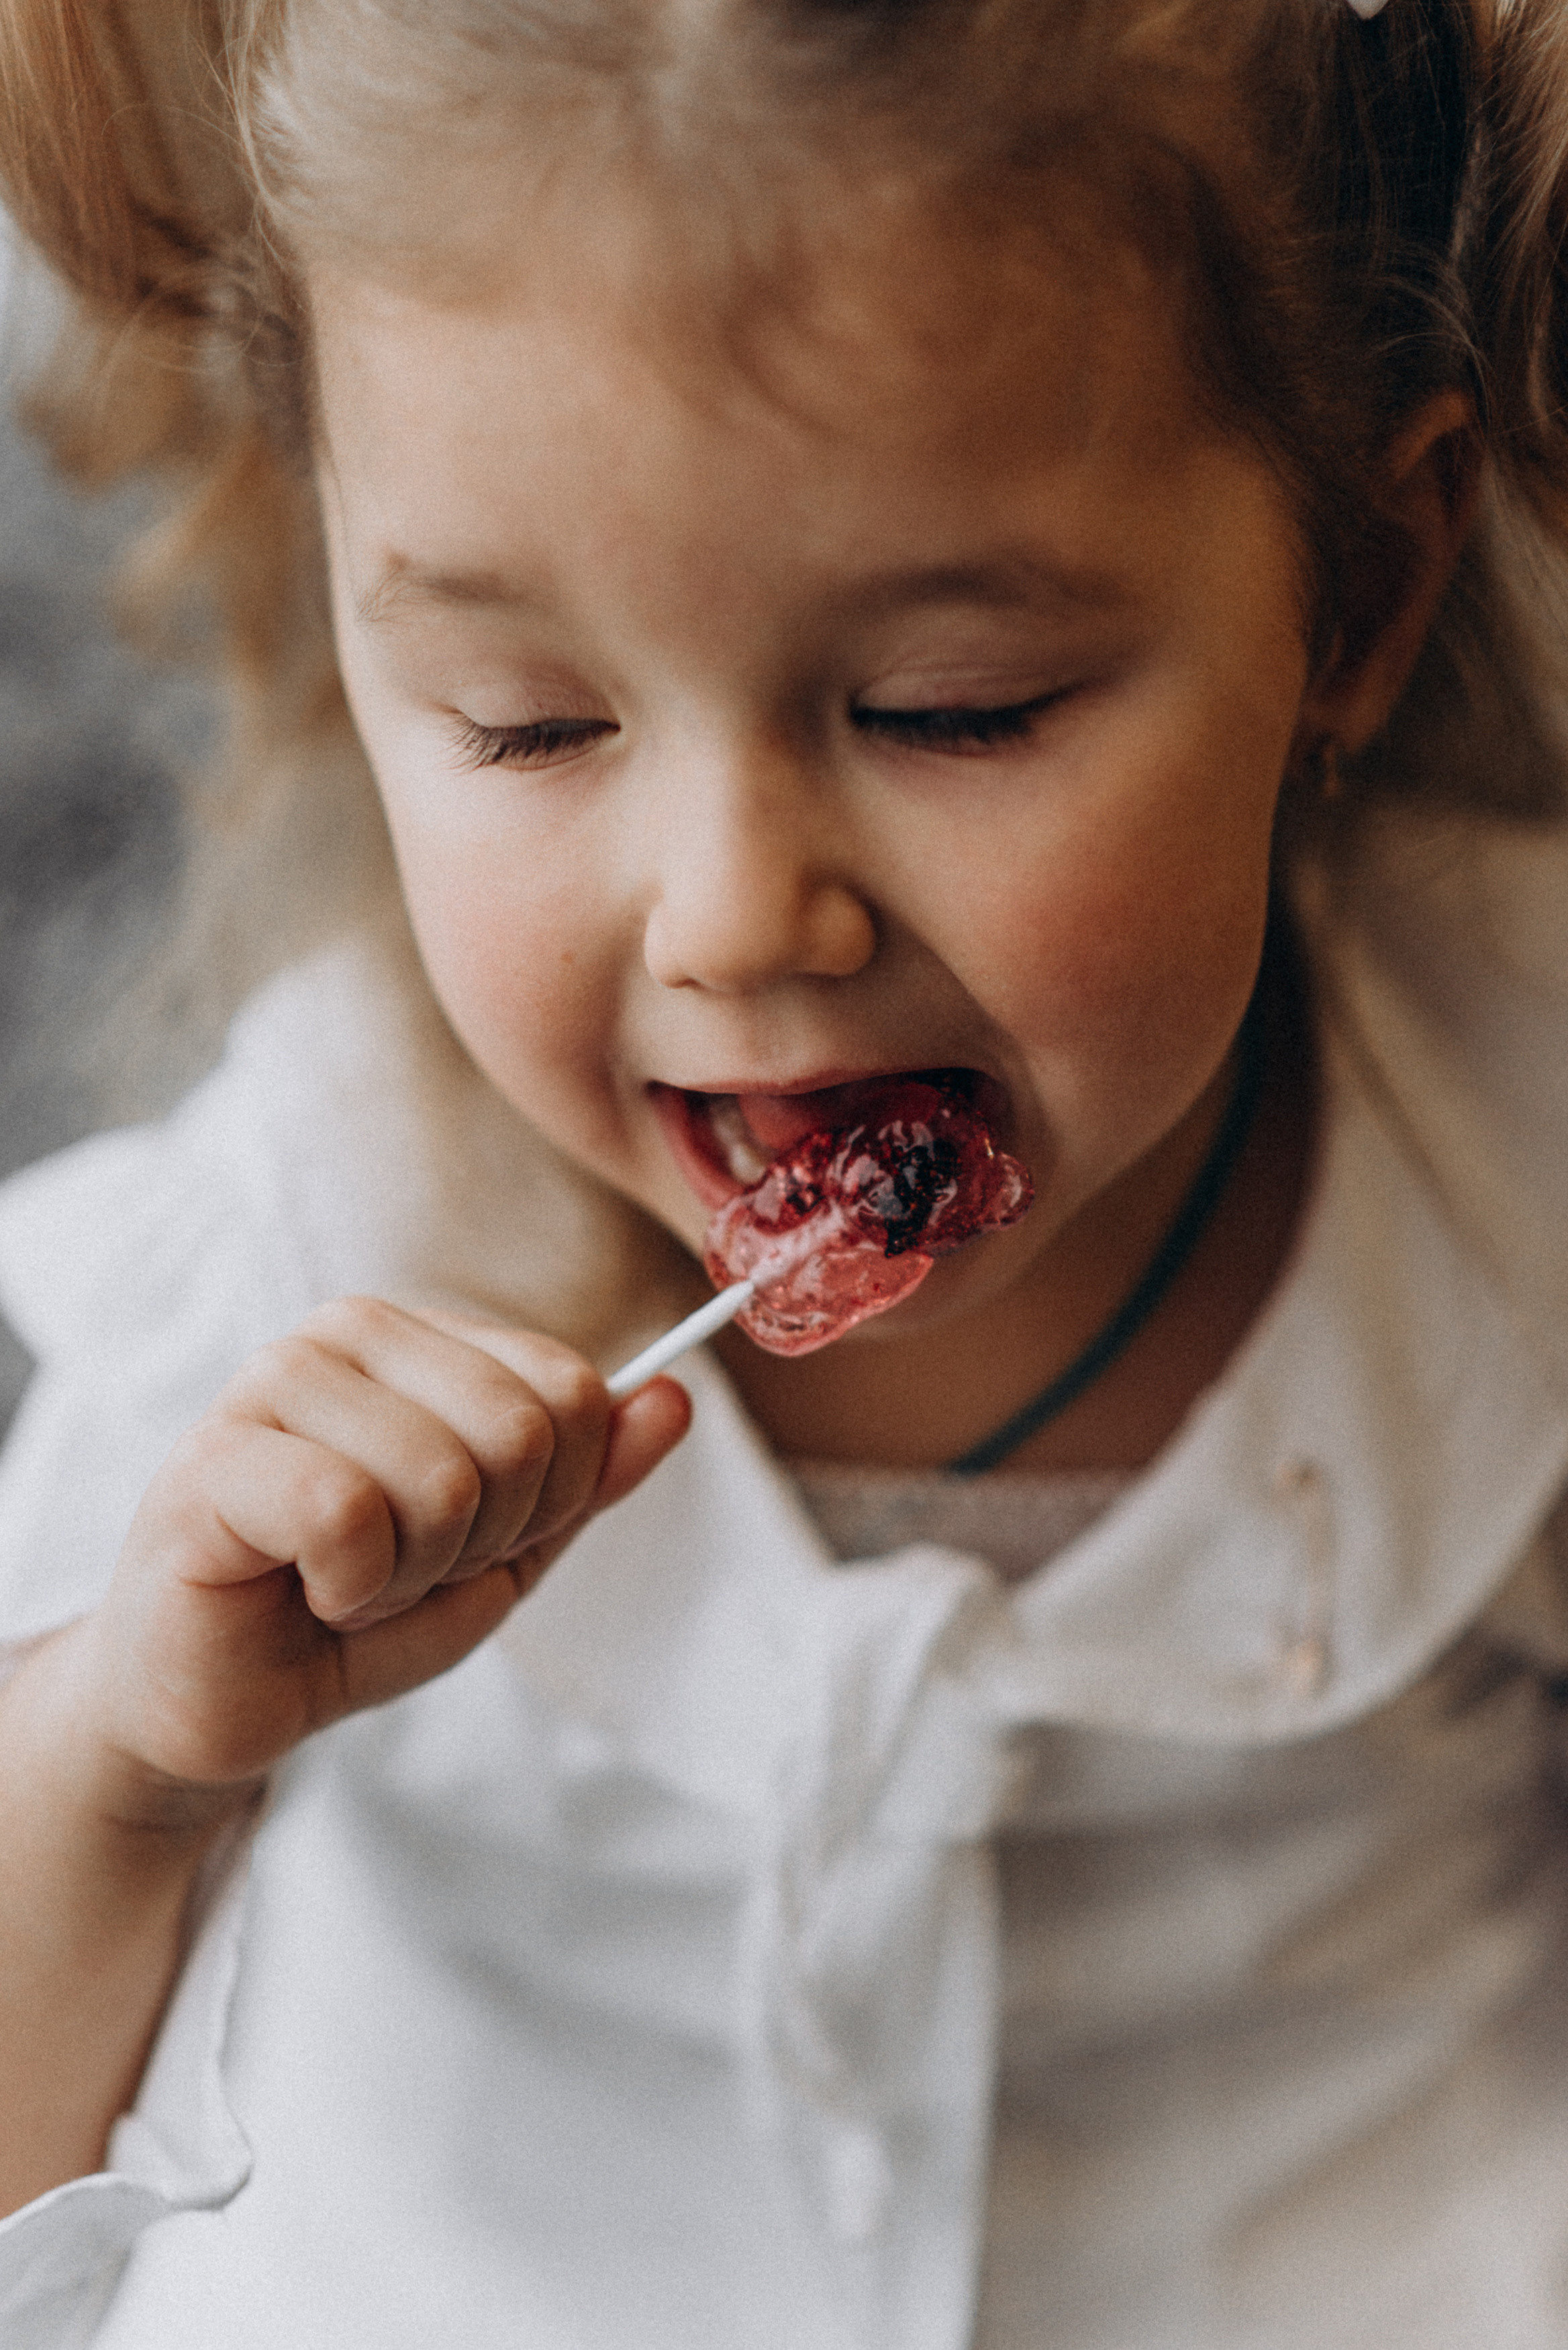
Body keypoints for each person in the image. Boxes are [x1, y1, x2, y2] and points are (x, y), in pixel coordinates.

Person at [2, 0, 1568, 2341]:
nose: (738, 916)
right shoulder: (296, 1258)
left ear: (1359, 583)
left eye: (954, 709)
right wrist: (133, 1750)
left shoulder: (1510, 1146)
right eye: (533, 722)